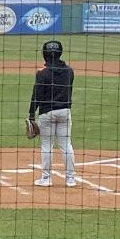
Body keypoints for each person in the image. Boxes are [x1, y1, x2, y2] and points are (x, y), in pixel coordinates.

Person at [29, 39, 77, 188]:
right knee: (66, 145)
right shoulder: (69, 71)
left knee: (47, 145)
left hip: (47, 114)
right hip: (65, 111)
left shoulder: (42, 74)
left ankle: (46, 178)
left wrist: (31, 115)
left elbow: (36, 95)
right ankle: (71, 179)